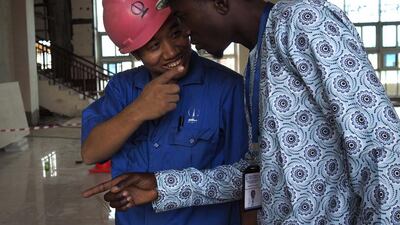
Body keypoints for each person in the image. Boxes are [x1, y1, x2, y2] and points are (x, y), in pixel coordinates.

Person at [82, 0, 400, 224]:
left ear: (219, 2)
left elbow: (381, 147)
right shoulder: (256, 67)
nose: (186, 35)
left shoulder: (302, 20)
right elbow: (257, 175)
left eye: (182, 17)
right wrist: (162, 186)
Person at [80, 0, 249, 224]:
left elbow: (246, 178)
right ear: (136, 54)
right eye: (153, 46)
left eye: (176, 33)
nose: (171, 52)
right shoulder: (122, 89)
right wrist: (138, 110)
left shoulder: (228, 89)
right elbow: (91, 153)